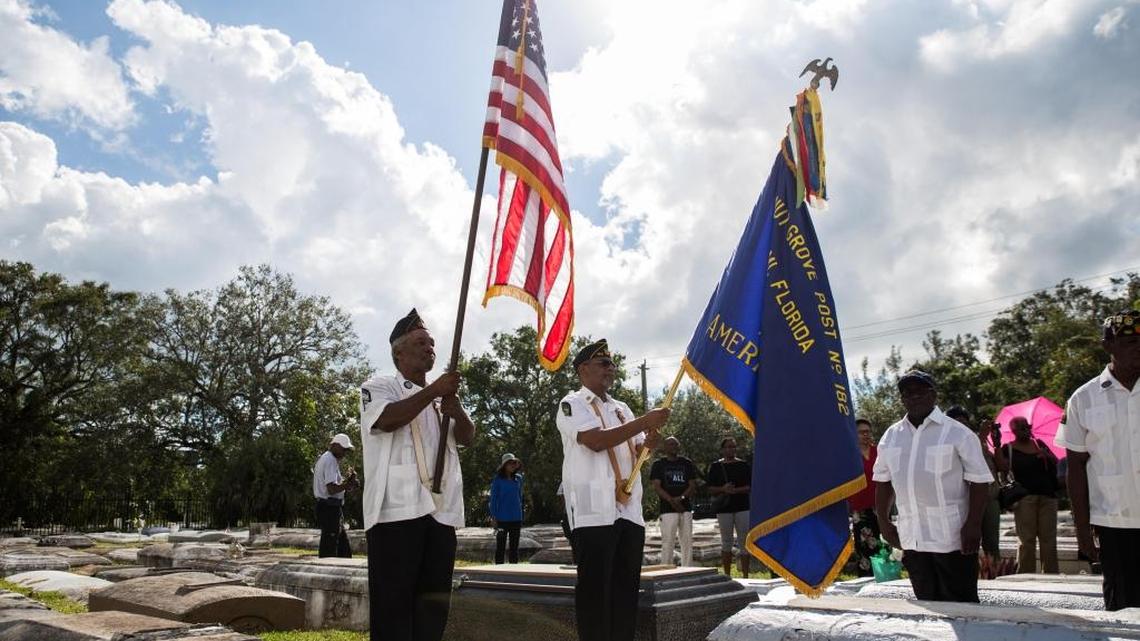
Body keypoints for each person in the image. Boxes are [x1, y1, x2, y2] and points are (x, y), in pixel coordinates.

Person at [359, 309, 476, 641]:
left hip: (440, 512)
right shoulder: (381, 386)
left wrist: (458, 410)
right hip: (396, 512)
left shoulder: (442, 399)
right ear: (398, 352)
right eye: (420, 342)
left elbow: (466, 438)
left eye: (432, 343)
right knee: (393, 609)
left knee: (432, 609)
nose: (430, 348)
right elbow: (387, 420)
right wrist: (434, 392)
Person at [556, 339, 667, 641]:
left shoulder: (622, 408)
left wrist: (650, 442)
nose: (611, 369)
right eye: (603, 363)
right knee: (595, 590)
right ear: (583, 369)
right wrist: (645, 421)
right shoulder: (572, 403)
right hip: (594, 511)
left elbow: (636, 448)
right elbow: (595, 440)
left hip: (628, 508)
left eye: (612, 364)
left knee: (625, 589)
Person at [873, 370, 993, 603]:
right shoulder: (892, 436)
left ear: (933, 394)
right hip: (912, 538)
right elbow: (883, 481)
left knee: (962, 605)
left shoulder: (957, 433)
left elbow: (980, 482)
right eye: (907, 393)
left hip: (952, 538)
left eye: (920, 391)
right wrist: (885, 523)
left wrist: (973, 525)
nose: (914, 397)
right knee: (927, 604)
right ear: (902, 399)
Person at [1055, 310, 1140, 611]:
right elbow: (1075, 468)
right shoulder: (1083, 398)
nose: (1138, 346)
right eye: (1129, 341)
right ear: (1108, 346)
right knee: (1122, 608)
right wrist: (1082, 532)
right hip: (1113, 524)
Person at [944, 407, 1007, 562]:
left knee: (992, 544)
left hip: (991, 499)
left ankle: (994, 575)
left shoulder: (982, 443)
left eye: (964, 423)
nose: (962, 427)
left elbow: (1003, 467)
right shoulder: (948, 442)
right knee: (969, 544)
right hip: (968, 501)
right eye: (958, 423)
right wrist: (981, 436)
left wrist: (997, 443)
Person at [1005, 416, 1060, 573]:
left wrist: (1046, 455)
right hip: (1024, 498)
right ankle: (1025, 575)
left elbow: (1057, 463)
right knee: (1026, 540)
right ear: (1014, 431)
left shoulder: (1039, 444)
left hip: (1047, 496)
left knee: (1048, 539)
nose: (1026, 429)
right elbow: (1002, 468)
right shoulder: (1008, 448)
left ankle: (1051, 575)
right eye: (1021, 427)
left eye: (1027, 426)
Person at [707, 436, 752, 578]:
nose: (730, 449)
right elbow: (709, 488)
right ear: (722, 449)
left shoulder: (743, 465)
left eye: (733, 446)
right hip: (724, 508)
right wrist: (723, 489)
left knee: (744, 541)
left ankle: (745, 575)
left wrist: (735, 491)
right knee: (726, 541)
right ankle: (727, 575)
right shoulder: (715, 467)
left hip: (742, 507)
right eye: (728, 447)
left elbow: (750, 486)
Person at [649, 436, 698, 566]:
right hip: (667, 509)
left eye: (676, 444)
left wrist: (680, 498)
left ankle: (687, 569)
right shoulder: (658, 464)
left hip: (685, 508)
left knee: (687, 541)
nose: (673, 447)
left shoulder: (686, 463)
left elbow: (692, 485)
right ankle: (666, 569)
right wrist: (672, 501)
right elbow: (657, 486)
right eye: (670, 444)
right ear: (665, 447)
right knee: (668, 542)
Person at [313, 432, 360, 558]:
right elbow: (331, 489)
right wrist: (348, 485)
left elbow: (334, 487)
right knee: (329, 547)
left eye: (346, 450)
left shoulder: (328, 459)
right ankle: (326, 573)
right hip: (329, 508)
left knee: (342, 548)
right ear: (334, 445)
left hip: (331, 508)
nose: (344, 452)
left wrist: (347, 484)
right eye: (343, 448)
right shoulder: (330, 460)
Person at [847, 418, 879, 577]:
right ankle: (867, 580)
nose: (866, 435)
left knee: (883, 544)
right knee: (864, 547)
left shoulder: (879, 452)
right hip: (859, 509)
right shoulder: (849, 454)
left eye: (868, 431)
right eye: (861, 432)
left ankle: (885, 576)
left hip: (880, 506)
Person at [489, 453, 524, 564]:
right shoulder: (497, 480)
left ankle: (514, 571)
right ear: (504, 465)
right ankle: (498, 571)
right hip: (501, 519)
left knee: (514, 547)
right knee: (501, 546)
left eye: (514, 463)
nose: (513, 465)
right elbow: (493, 499)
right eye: (510, 463)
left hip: (516, 518)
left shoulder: (518, 479)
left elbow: (519, 496)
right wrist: (493, 517)